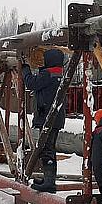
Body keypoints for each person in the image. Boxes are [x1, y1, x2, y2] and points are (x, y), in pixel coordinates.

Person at [22, 48, 66, 193]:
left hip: (47, 117)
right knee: (49, 149)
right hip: (55, 117)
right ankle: (48, 179)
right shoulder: (59, 73)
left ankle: (49, 182)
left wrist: (25, 70)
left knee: (47, 150)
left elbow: (31, 84)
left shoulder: (48, 74)